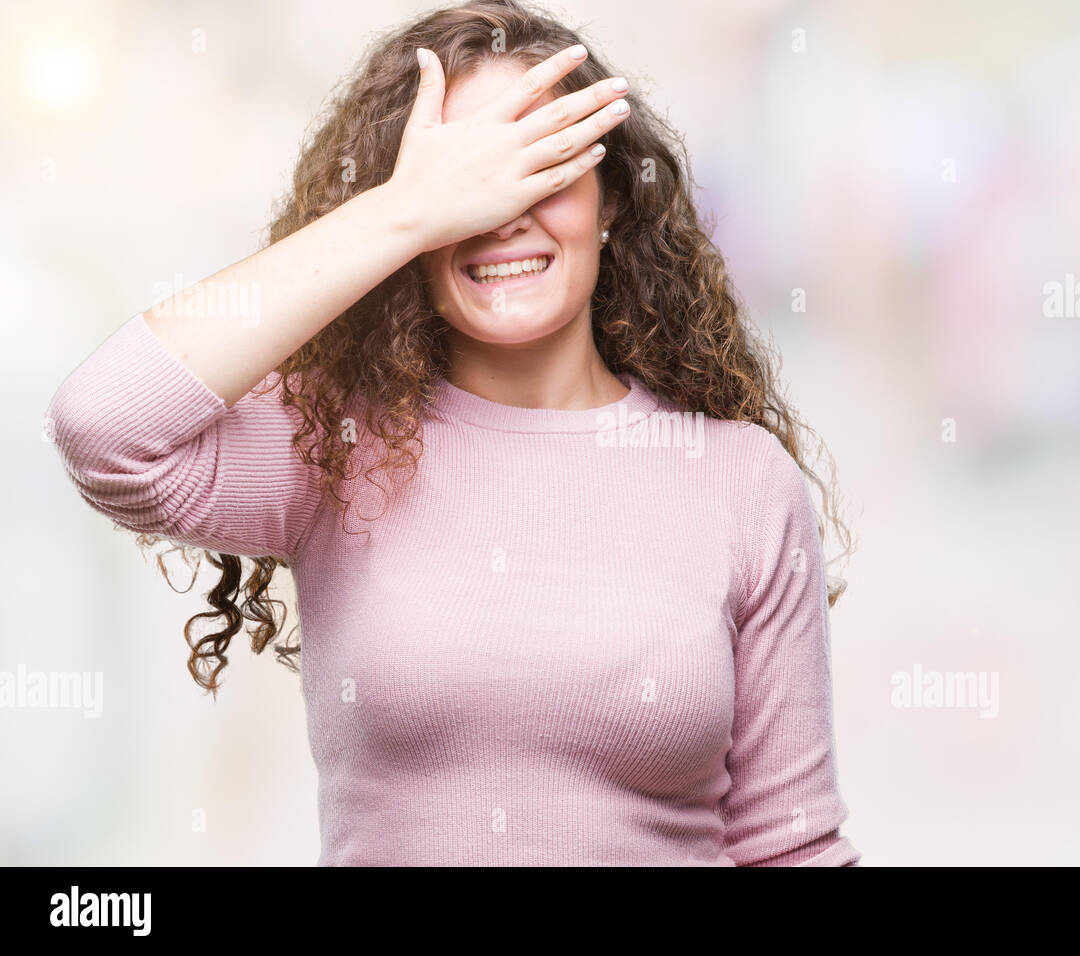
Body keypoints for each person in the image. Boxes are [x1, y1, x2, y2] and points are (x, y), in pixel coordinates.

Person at [45, 0, 859, 866]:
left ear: (611, 196)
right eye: (465, 183)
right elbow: (105, 426)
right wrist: (403, 213)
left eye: (537, 168)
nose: (502, 215)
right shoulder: (337, 444)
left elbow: (793, 848)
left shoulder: (739, 479)